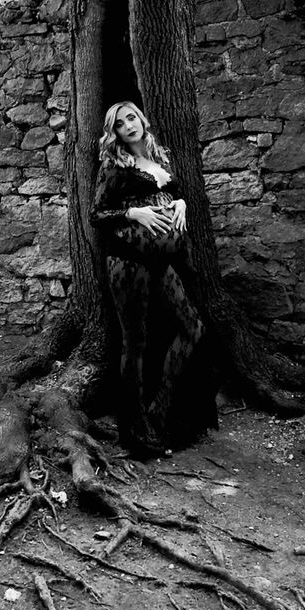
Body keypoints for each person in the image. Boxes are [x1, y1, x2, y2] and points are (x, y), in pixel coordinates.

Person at [90, 101, 217, 457]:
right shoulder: (114, 165)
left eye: (131, 118)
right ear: (113, 133)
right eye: (119, 124)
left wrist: (182, 204)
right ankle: (135, 430)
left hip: (163, 262)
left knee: (193, 328)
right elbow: (97, 213)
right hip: (128, 262)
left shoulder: (159, 159)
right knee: (136, 343)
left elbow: (173, 193)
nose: (128, 126)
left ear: (142, 120)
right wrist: (135, 212)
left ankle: (160, 408)